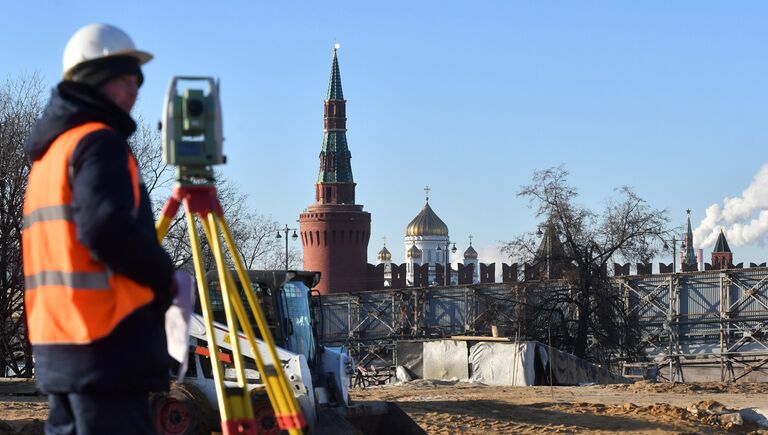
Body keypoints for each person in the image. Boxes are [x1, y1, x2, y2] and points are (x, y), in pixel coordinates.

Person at [22, 23, 175, 434]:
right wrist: (165, 279)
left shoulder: (49, 155)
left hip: (59, 348)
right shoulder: (98, 143)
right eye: (128, 79)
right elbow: (105, 228)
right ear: (97, 80)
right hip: (106, 346)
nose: (137, 90)